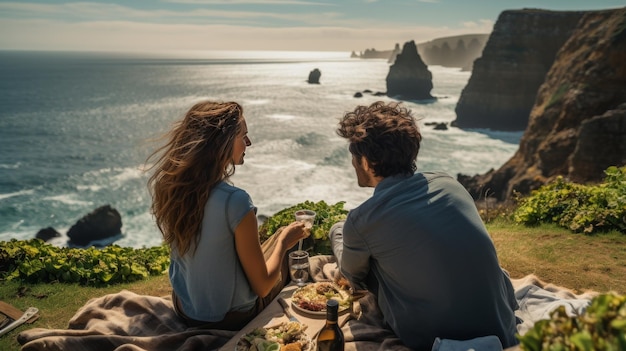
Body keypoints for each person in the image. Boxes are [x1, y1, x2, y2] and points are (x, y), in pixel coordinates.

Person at [330, 101, 519, 350]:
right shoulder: (449, 183)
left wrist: (338, 231)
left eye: (354, 156)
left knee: (355, 249)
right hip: (501, 328)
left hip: (434, 341)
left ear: (365, 161)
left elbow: (353, 278)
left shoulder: (361, 221)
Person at [146, 101, 309, 330]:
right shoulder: (235, 201)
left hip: (184, 308)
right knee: (284, 246)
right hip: (230, 319)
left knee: (268, 245)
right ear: (221, 143)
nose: (249, 142)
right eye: (243, 135)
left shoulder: (172, 188)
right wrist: (283, 243)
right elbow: (262, 287)